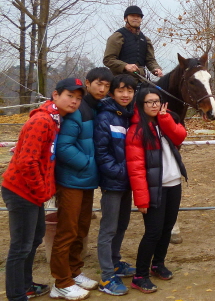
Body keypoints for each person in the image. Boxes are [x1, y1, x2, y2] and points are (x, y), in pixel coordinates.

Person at [2, 79, 84, 301]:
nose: (74, 102)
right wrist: (41, 191)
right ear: (55, 95)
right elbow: (27, 162)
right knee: (20, 246)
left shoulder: (54, 119)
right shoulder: (42, 121)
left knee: (35, 238)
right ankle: (16, 295)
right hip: (21, 190)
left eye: (78, 99)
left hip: (31, 191)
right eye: (70, 96)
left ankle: (26, 285)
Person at [51, 68, 114, 299]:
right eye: (98, 84)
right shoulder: (77, 111)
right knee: (67, 231)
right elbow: (65, 148)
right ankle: (61, 282)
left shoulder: (95, 107)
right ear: (88, 83)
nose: (102, 89)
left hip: (86, 180)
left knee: (81, 228)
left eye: (107, 86)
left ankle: (74, 272)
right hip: (71, 180)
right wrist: (90, 164)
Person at [126, 88, 187, 293]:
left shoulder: (165, 122)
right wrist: (141, 199)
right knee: (153, 232)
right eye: (149, 102)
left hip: (174, 184)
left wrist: (166, 120)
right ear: (140, 105)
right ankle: (140, 275)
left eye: (157, 101)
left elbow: (180, 136)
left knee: (167, 228)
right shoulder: (137, 131)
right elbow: (136, 169)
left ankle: (157, 264)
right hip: (154, 188)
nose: (154, 105)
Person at [94, 74, 137, 295]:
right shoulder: (105, 117)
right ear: (113, 93)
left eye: (129, 91)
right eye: (121, 90)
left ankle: (115, 262)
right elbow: (102, 153)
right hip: (114, 182)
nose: (125, 94)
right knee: (108, 228)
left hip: (128, 181)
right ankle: (106, 276)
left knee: (122, 224)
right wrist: (121, 173)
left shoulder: (130, 115)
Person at [103, 5, 163, 78]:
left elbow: (150, 60)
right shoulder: (117, 37)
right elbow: (108, 59)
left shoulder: (145, 40)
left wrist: (156, 68)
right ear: (125, 19)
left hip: (141, 80)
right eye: (132, 16)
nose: (135, 18)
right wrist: (125, 66)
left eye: (138, 16)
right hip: (120, 80)